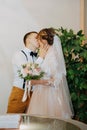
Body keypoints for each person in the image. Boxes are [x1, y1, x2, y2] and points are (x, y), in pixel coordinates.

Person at [27, 28, 74, 119]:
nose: (37, 41)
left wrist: (37, 82)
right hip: (40, 93)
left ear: (43, 40)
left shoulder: (53, 56)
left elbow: (56, 80)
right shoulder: (44, 53)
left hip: (49, 95)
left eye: (38, 39)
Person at [7, 31, 50, 113]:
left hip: (34, 95)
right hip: (20, 93)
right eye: (36, 37)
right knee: (12, 121)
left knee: (30, 123)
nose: (39, 40)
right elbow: (28, 73)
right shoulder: (19, 55)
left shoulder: (37, 57)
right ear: (28, 40)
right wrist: (41, 57)